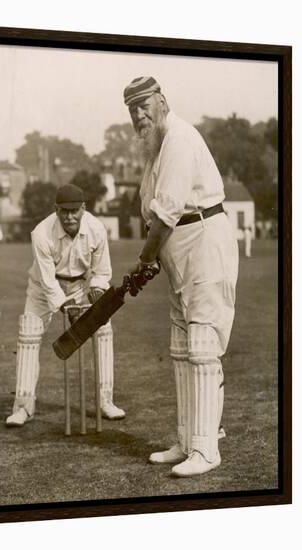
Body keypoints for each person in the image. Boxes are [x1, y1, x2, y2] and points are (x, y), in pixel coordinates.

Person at [124, 76, 239, 476]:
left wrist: (144, 260)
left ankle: (207, 451)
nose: (139, 114)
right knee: (179, 348)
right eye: (132, 108)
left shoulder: (179, 139)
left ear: (162, 101)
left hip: (204, 244)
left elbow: (166, 213)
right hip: (179, 253)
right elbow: (154, 211)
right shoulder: (155, 147)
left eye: (145, 105)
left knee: (203, 346)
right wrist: (155, 258)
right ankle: (188, 439)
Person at [6, 183, 125, 427]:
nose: (69, 217)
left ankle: (105, 401)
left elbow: (102, 271)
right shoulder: (41, 233)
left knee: (103, 329)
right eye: (64, 211)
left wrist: (98, 288)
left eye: (75, 211)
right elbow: (49, 282)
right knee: (28, 331)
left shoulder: (97, 229)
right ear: (56, 209)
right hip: (43, 288)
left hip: (82, 286)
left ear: (84, 208)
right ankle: (23, 406)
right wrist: (64, 305)